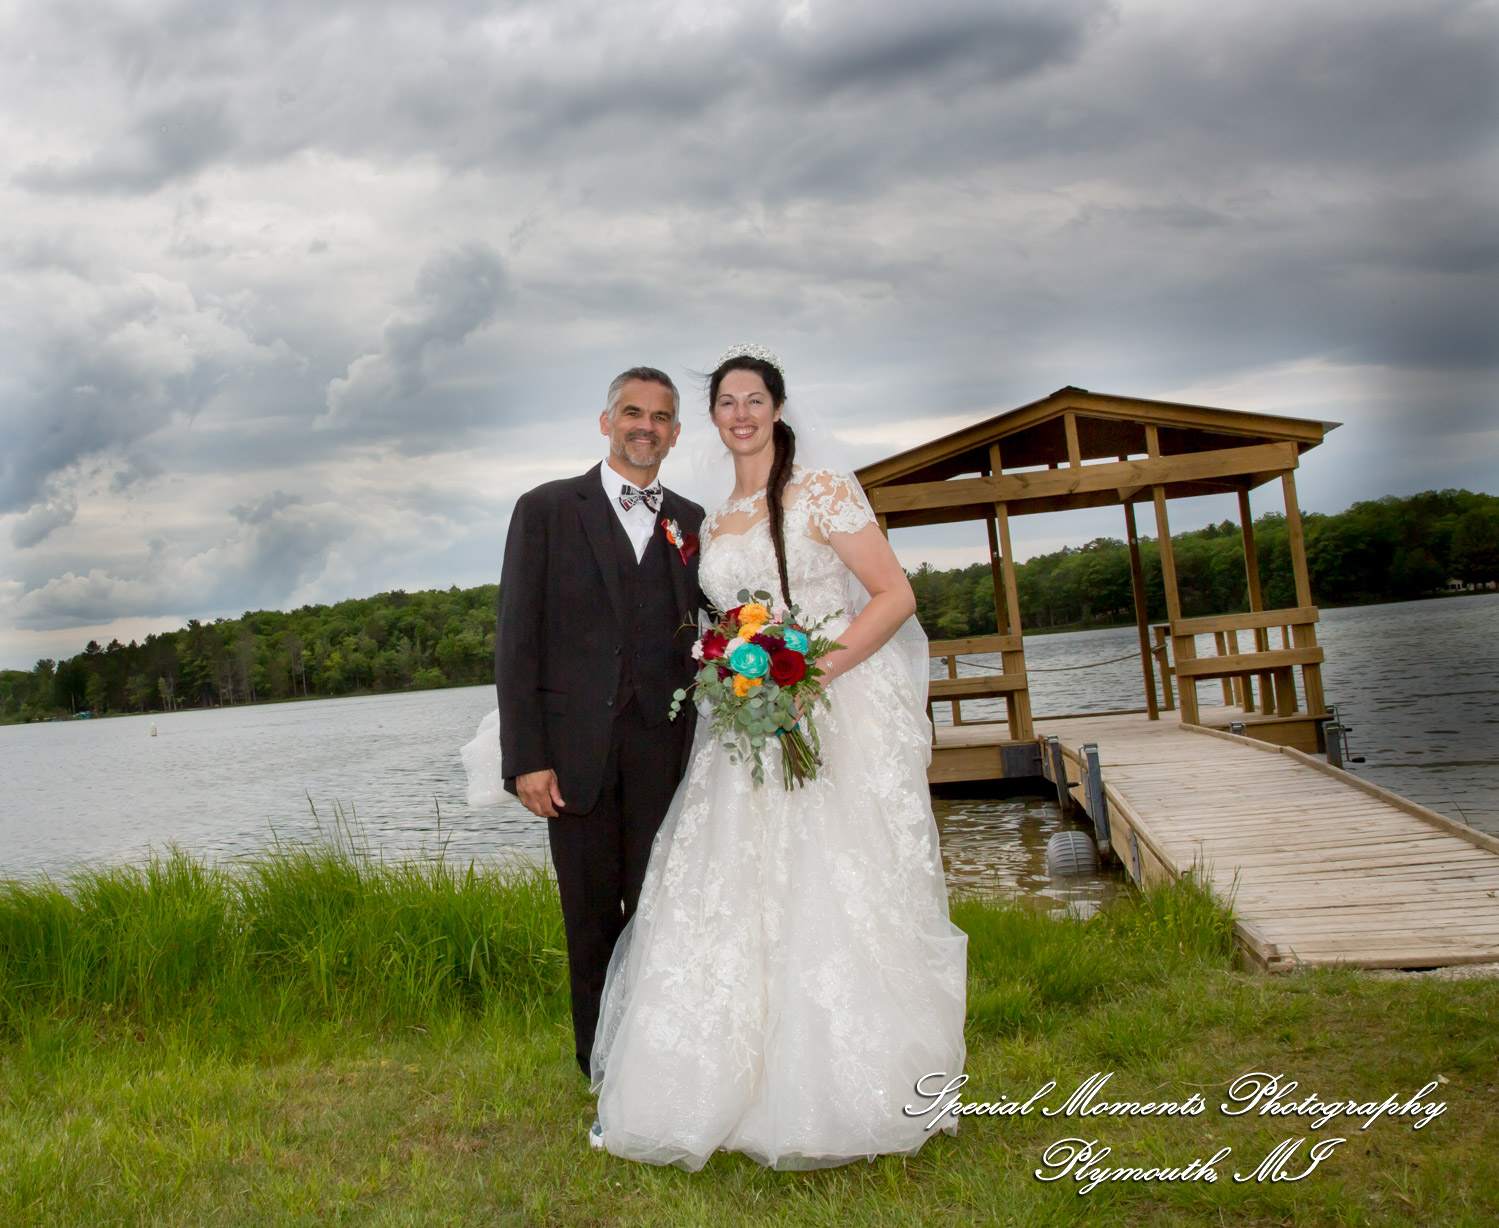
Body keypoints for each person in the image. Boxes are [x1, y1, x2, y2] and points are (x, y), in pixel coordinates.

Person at [590, 345, 967, 1171]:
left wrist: (812, 676)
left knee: (833, 884)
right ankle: (718, 1089)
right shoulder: (706, 520)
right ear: (711, 419)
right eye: (726, 402)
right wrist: (731, 672)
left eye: (754, 398)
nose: (740, 414)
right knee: (734, 887)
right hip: (741, 723)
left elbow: (894, 594)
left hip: (826, 711)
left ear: (779, 407)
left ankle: (849, 1087)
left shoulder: (820, 492)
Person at [494, 366, 704, 1080]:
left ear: (676, 433)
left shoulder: (693, 520)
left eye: (661, 416)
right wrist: (525, 756)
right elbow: (516, 638)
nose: (645, 425)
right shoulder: (547, 508)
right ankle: (602, 1070)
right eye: (631, 412)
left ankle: (661, 1060)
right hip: (572, 754)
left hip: (667, 749)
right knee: (588, 919)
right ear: (606, 420)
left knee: (662, 909)